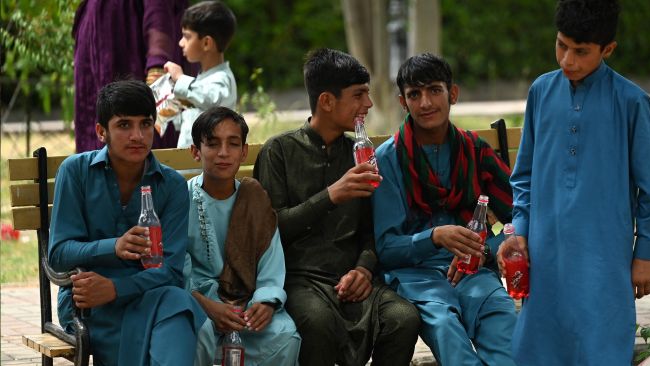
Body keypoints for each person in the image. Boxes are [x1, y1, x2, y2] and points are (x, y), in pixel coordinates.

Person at [500, 0, 650, 364]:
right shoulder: (541, 91)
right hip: (545, 252)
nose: (567, 59)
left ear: (608, 49)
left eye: (581, 52)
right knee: (537, 350)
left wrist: (646, 252)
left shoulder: (632, 103)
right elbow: (523, 176)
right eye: (561, 45)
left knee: (601, 347)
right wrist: (519, 228)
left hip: (604, 258)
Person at [253, 48, 420, 366]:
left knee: (403, 317)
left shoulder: (361, 154)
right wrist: (331, 195)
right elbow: (270, 231)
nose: (368, 105)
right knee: (316, 321)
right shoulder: (280, 152)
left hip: (353, 279)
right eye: (359, 95)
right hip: (301, 280)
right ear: (327, 101)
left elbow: (374, 230)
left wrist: (363, 269)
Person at [371, 53, 517, 366]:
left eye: (434, 90)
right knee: (446, 328)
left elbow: (515, 218)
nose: (425, 103)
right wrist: (435, 237)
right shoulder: (388, 159)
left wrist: (485, 249)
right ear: (403, 102)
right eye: (414, 94)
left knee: (503, 319)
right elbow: (385, 247)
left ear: (452, 94)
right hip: (418, 280)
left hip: (474, 271)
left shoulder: (475, 150)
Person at [48, 80, 206, 365]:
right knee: (174, 318)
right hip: (89, 304)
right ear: (101, 131)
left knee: (178, 304)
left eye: (145, 124)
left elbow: (170, 271)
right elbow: (58, 255)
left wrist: (117, 288)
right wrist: (113, 247)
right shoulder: (75, 172)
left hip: (149, 294)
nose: (137, 135)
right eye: (124, 125)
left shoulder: (171, 185)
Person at [184, 106, 301, 366]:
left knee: (285, 336)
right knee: (196, 334)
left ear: (244, 152)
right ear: (196, 152)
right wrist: (207, 305)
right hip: (198, 301)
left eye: (233, 144)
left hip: (246, 300)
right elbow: (175, 267)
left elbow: (271, 261)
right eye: (213, 144)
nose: (223, 153)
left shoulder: (254, 199)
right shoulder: (181, 200)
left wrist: (266, 302)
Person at [72, 0, 192, 152]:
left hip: (135, 65)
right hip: (99, 70)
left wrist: (157, 69)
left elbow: (158, 16)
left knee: (142, 145)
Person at [164, 0, 238, 148]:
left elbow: (210, 100)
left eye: (187, 36)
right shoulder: (200, 81)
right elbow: (188, 122)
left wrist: (180, 78)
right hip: (190, 167)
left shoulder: (222, 79)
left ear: (206, 43)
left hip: (210, 169)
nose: (181, 42)